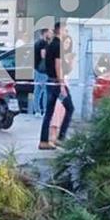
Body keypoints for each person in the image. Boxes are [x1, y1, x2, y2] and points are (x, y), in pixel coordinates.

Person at [39, 22, 74, 150]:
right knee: (70, 108)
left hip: (50, 81)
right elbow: (58, 65)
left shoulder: (50, 45)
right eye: (66, 30)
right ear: (60, 30)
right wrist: (62, 85)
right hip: (56, 83)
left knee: (49, 112)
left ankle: (43, 141)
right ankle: (61, 138)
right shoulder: (58, 46)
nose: (67, 33)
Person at [32, 28, 53, 117]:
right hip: (43, 71)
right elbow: (44, 55)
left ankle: (37, 111)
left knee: (37, 91)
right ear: (45, 33)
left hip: (37, 70)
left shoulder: (37, 43)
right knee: (45, 91)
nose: (51, 34)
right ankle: (44, 111)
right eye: (50, 33)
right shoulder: (44, 43)